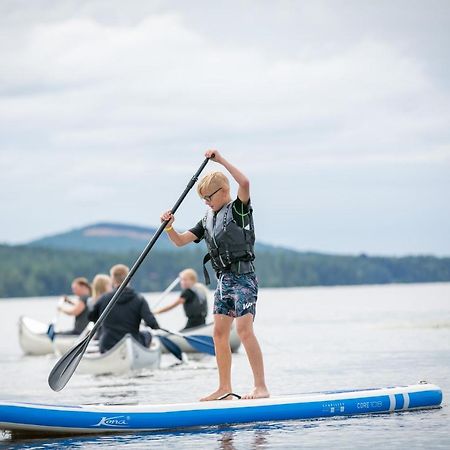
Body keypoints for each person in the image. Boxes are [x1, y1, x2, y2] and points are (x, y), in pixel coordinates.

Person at [161, 150, 269, 401]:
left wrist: (220, 160)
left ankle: (261, 386)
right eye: (203, 199)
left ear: (223, 191)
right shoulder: (207, 219)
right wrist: (168, 226)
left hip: (244, 278)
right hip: (223, 282)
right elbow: (179, 241)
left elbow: (245, 183)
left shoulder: (239, 210)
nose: (206, 202)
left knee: (244, 330)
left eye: (208, 197)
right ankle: (225, 388)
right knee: (219, 334)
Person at [89, 264, 159, 353]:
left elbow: (91, 317)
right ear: (129, 278)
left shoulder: (104, 298)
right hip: (132, 343)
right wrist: (155, 326)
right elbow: (152, 323)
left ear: (113, 280)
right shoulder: (139, 299)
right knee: (148, 335)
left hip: (107, 345)